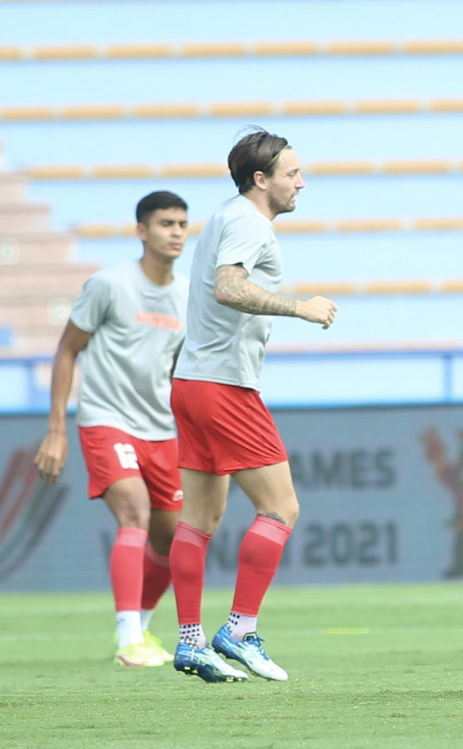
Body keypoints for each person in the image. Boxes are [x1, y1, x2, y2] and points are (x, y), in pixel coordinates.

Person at [168, 128, 338, 682]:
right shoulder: (248, 221)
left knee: (199, 519)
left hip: (192, 380)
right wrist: (300, 307)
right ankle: (239, 631)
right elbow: (229, 287)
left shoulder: (224, 215)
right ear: (260, 179)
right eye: (292, 173)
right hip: (224, 386)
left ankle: (191, 641)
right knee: (281, 508)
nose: (301, 182)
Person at [34, 191, 190, 667]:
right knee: (135, 513)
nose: (176, 232)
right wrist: (56, 430)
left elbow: (180, 370)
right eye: (165, 223)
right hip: (106, 419)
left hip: (159, 428)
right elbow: (67, 349)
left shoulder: (187, 296)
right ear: (142, 230)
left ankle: (140, 628)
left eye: (182, 224)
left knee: (173, 539)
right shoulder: (109, 285)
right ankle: (128, 638)